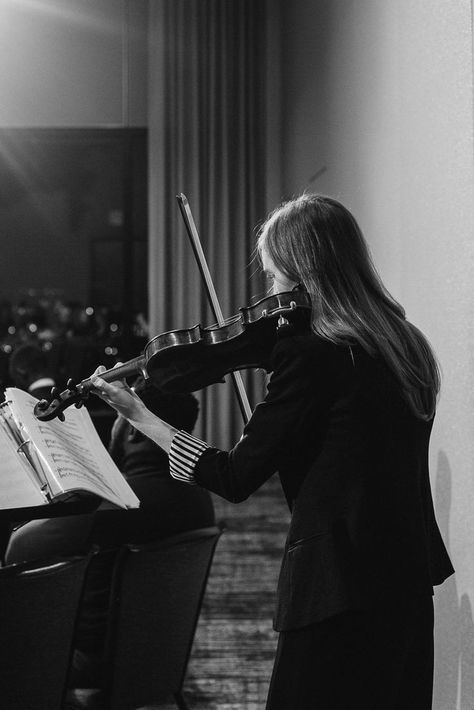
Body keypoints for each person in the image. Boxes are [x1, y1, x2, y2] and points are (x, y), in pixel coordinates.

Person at [90, 193, 454, 710]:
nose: (273, 298)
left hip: (336, 587)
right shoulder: (405, 343)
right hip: (407, 577)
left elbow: (234, 477)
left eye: (276, 279)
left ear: (305, 274)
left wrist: (142, 418)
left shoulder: (310, 354)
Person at [5, 380, 215, 698]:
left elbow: (19, 550)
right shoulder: (198, 500)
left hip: (83, 661)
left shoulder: (110, 505)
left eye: (119, 418)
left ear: (131, 429)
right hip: (153, 661)